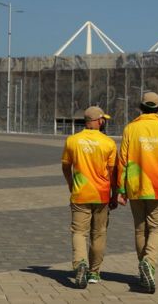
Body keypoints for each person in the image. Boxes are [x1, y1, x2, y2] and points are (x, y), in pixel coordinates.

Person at [116, 92, 158, 294]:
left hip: (136, 186)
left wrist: (121, 189)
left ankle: (143, 270)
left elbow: (123, 161)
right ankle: (149, 263)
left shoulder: (130, 129)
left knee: (140, 229)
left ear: (140, 107)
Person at [61, 106, 117, 288]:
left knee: (79, 232)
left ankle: (80, 264)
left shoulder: (72, 140)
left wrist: (71, 184)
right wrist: (115, 195)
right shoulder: (108, 143)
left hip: (80, 193)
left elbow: (65, 166)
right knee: (99, 234)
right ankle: (94, 272)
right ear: (99, 121)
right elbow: (112, 172)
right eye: (104, 120)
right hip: (101, 195)